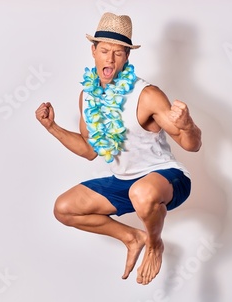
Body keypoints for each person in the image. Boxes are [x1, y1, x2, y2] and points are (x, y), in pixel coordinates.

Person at [35, 12, 202, 285]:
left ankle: (154, 244)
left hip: (166, 177)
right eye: (104, 51)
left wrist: (188, 125)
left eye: (118, 53)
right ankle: (132, 237)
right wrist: (52, 127)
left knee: (142, 192)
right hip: (125, 182)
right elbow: (90, 150)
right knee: (64, 208)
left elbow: (191, 145)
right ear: (93, 51)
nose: (110, 59)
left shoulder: (147, 95)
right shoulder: (87, 95)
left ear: (127, 57)